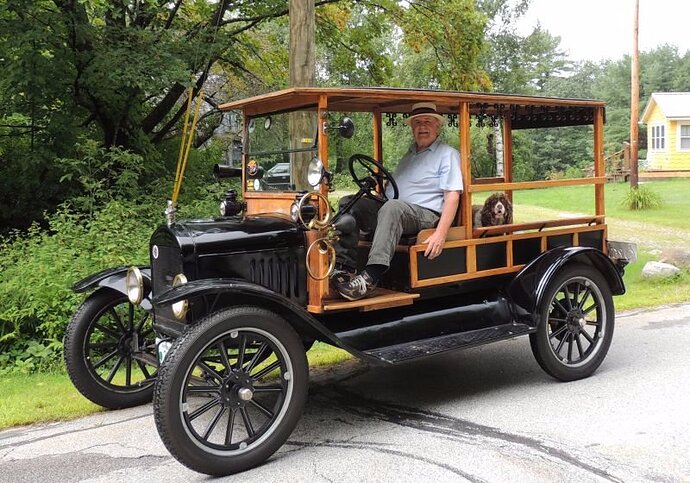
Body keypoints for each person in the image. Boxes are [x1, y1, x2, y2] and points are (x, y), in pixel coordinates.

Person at [333, 102, 463, 301]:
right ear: (412, 127)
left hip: (426, 215)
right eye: (417, 122)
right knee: (349, 203)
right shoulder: (410, 155)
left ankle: (370, 277)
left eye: (427, 121)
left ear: (437, 126)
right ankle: (343, 268)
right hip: (396, 209)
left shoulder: (448, 155)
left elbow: (453, 196)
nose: (422, 126)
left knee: (393, 208)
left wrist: (440, 234)